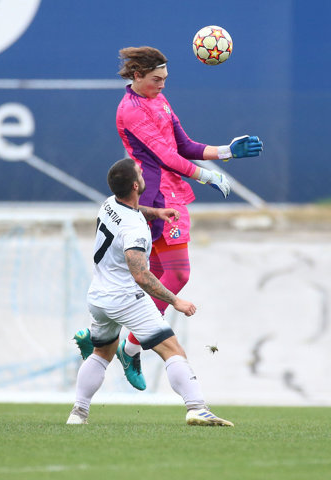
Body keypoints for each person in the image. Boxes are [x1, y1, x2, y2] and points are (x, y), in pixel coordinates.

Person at [72, 46, 263, 391]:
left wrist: (227, 152)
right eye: (156, 79)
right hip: (157, 196)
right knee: (177, 273)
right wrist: (206, 176)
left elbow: (184, 145)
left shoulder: (158, 100)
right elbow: (164, 156)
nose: (162, 85)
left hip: (170, 190)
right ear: (137, 75)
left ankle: (102, 335)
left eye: (165, 79)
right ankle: (130, 347)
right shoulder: (130, 110)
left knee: (157, 275)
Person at [67, 158, 233, 426]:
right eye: (139, 172)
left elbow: (133, 210)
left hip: (98, 296)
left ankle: (78, 413)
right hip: (126, 298)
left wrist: (156, 213)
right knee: (172, 349)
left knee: (102, 354)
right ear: (135, 185)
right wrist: (175, 300)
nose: (143, 172)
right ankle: (196, 407)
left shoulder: (109, 204)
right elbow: (141, 275)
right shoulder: (134, 230)